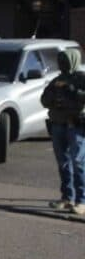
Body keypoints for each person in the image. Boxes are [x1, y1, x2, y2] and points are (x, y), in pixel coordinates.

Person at [40, 48, 85, 214]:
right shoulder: (56, 80)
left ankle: (82, 200)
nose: (62, 64)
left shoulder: (81, 78)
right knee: (63, 162)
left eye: (65, 60)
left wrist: (72, 90)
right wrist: (53, 94)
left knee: (78, 162)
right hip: (58, 124)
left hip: (75, 124)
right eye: (60, 61)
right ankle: (67, 197)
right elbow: (44, 100)